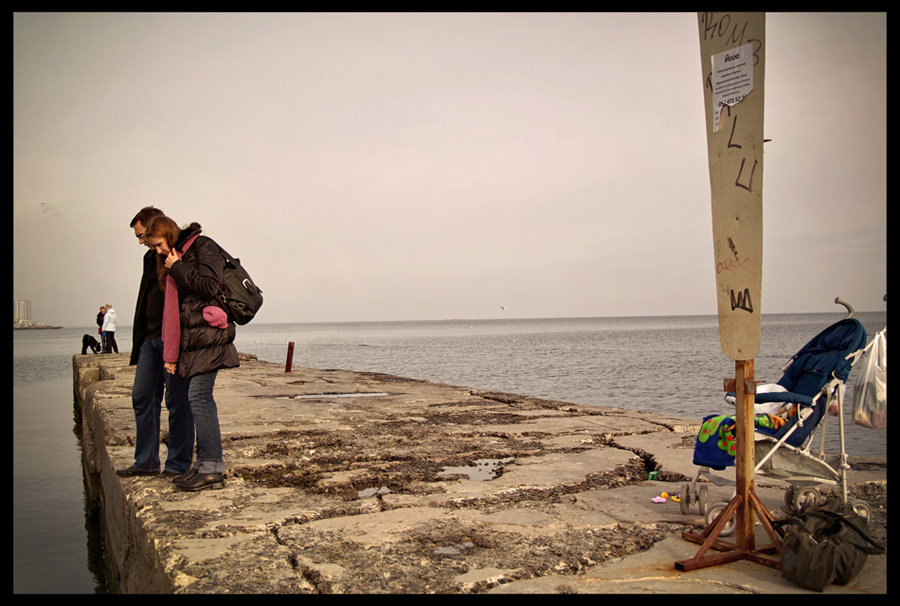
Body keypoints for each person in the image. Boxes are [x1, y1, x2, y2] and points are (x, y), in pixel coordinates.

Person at [144, 216, 240, 491]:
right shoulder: (177, 257)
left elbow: (210, 285)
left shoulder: (202, 246)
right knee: (195, 397)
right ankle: (202, 464)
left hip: (210, 336)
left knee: (199, 397)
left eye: (158, 244)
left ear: (169, 234)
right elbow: (173, 312)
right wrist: (171, 354)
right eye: (153, 248)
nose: (158, 251)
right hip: (195, 341)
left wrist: (177, 267)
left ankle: (212, 467)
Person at [116, 207, 194, 480]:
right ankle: (146, 461)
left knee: (177, 401)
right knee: (142, 396)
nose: (141, 241)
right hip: (150, 339)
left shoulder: (179, 254)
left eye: (142, 236)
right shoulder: (150, 257)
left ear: (154, 229)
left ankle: (178, 465)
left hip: (171, 337)